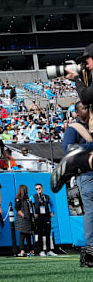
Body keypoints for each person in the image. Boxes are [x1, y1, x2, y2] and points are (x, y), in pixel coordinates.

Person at [57, 101, 93, 266]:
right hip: (87, 174)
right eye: (85, 108)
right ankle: (91, 247)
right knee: (91, 212)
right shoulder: (75, 128)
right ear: (77, 112)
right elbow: (69, 148)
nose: (89, 110)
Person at [32, 183, 57, 256]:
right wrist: (33, 213)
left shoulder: (47, 197)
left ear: (42, 188)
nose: (38, 190)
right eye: (36, 189)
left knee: (47, 233)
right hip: (39, 218)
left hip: (46, 217)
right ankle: (41, 250)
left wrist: (52, 212)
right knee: (39, 234)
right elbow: (29, 205)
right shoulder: (33, 197)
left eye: (39, 188)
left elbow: (52, 204)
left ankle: (49, 250)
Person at [15, 185, 35, 257]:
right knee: (22, 235)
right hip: (22, 220)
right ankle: (22, 250)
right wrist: (23, 215)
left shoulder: (27, 199)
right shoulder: (18, 198)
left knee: (28, 235)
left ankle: (31, 250)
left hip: (28, 219)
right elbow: (17, 208)